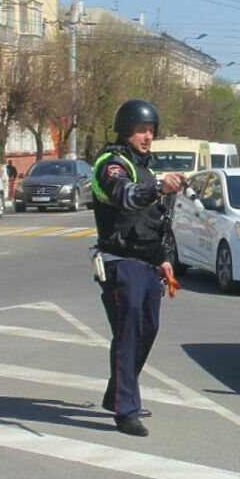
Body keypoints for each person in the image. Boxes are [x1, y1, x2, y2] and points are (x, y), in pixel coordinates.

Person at [91, 99, 185, 437]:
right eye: (141, 130)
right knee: (129, 332)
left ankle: (117, 394)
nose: (147, 136)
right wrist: (158, 187)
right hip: (121, 261)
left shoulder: (145, 166)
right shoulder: (111, 164)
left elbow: (149, 219)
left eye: (151, 131)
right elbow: (124, 196)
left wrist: (164, 259)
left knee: (148, 329)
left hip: (147, 262)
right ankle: (125, 409)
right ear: (126, 129)